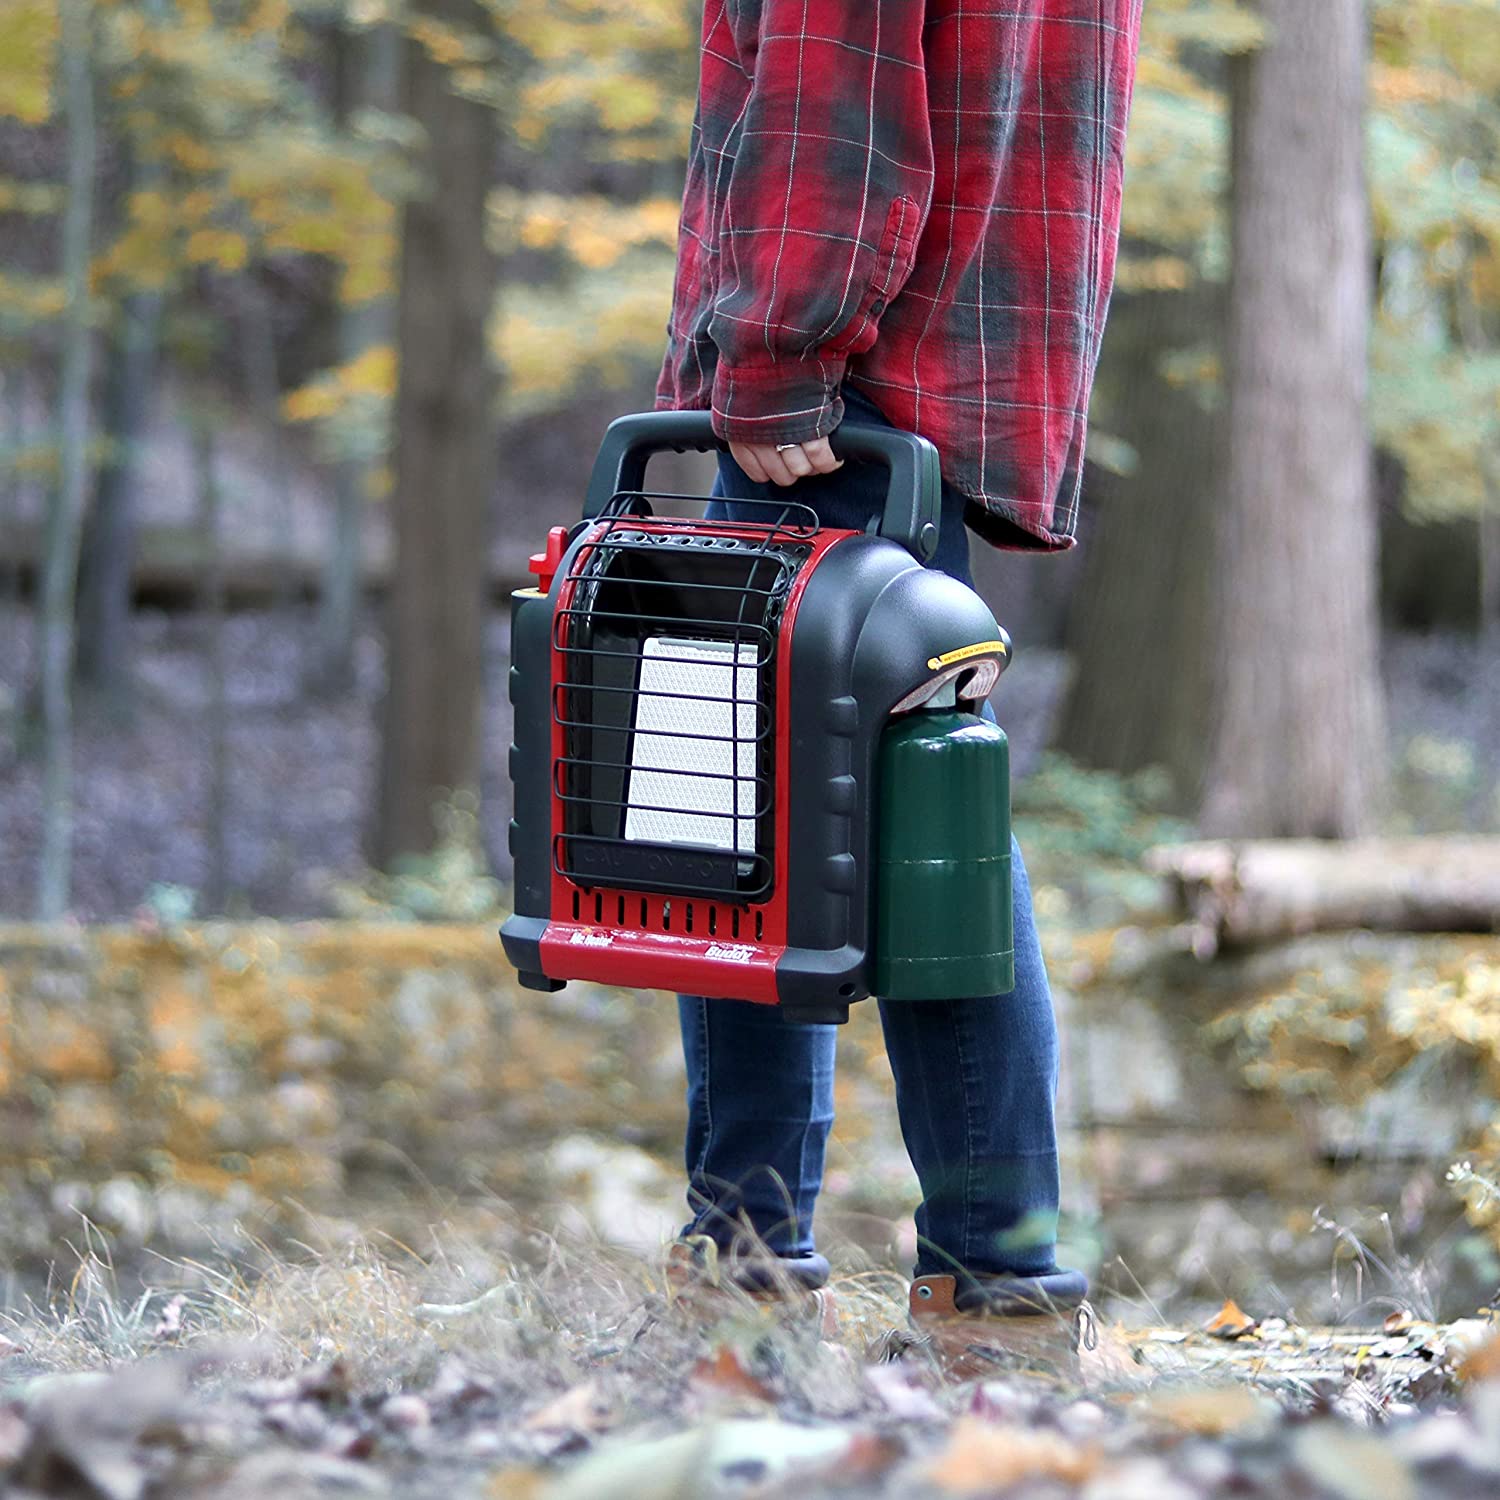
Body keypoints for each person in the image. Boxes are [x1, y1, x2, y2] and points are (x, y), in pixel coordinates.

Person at [654, 1, 1143, 1370]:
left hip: (847, 385)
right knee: (908, 809)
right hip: (944, 358)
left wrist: (775, 356)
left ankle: (792, 1281)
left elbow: (834, 91)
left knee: (806, 825)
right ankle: (945, 1287)